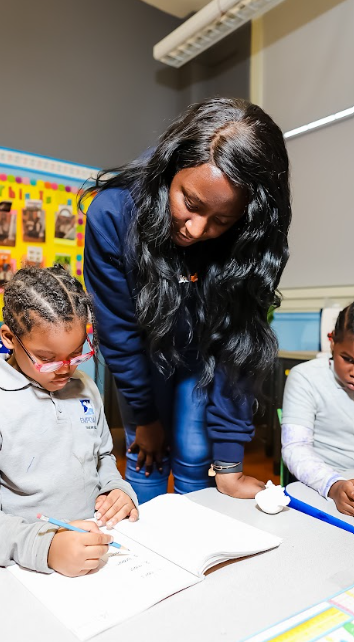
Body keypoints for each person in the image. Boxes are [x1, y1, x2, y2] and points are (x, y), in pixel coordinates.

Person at [82, 97, 292, 504]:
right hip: (139, 354)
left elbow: (239, 346)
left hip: (205, 354)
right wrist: (144, 420)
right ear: (171, 168)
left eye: (222, 221)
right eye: (190, 204)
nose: (197, 230)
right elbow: (120, 333)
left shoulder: (252, 242)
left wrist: (229, 462)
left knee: (197, 453)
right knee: (147, 455)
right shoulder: (111, 214)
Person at [0, 265, 138, 576]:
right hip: (23, 567)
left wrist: (116, 489)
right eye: (47, 358)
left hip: (97, 551)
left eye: (76, 353)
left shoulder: (85, 387)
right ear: (9, 338)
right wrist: (45, 547)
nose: (65, 369)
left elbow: (101, 457)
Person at [282, 303, 354, 515]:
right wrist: (333, 485)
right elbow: (295, 447)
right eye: (348, 359)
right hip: (327, 485)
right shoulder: (306, 377)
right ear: (332, 342)